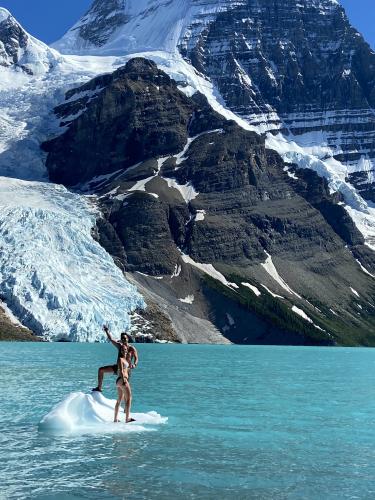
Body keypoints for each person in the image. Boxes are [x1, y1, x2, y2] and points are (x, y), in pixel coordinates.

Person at [92, 325, 138, 393]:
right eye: (122, 338)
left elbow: (136, 358)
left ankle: (124, 401)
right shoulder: (120, 346)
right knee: (101, 370)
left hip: (126, 371)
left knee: (124, 388)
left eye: (125, 338)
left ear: (127, 339)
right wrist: (106, 331)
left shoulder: (132, 348)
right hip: (118, 368)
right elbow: (111, 339)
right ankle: (99, 388)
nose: (124, 340)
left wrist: (134, 364)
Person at [114, 344, 135, 423]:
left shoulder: (125, 359)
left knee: (119, 399)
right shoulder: (120, 359)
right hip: (122, 380)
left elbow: (127, 369)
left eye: (125, 349)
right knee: (129, 398)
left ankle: (115, 419)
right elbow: (122, 371)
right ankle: (127, 419)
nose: (124, 351)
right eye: (122, 350)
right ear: (120, 351)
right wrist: (124, 380)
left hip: (119, 381)